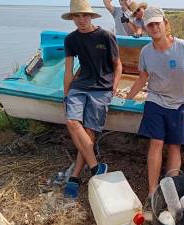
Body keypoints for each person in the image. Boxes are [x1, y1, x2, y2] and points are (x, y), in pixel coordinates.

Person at [126, 6, 184, 210]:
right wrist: (128, 98)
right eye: (150, 24)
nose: (154, 27)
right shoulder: (146, 52)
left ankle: (171, 189)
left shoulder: (183, 47)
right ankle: (152, 192)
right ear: (146, 28)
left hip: (181, 102)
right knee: (156, 142)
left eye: (158, 23)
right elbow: (143, 78)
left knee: (174, 145)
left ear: (165, 24)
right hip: (156, 100)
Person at [61, 0, 122, 198]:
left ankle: (76, 176)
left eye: (84, 15)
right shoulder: (71, 39)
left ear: (91, 16)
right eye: (76, 16)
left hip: (102, 88)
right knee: (72, 122)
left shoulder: (105, 36)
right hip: (80, 85)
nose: (81, 20)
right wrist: (66, 94)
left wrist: (114, 86)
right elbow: (69, 70)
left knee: (88, 131)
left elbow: (117, 64)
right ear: (72, 18)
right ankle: (96, 167)